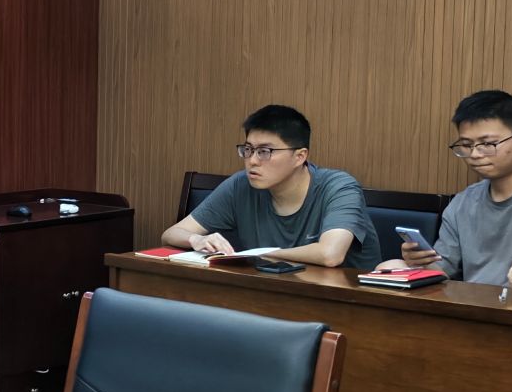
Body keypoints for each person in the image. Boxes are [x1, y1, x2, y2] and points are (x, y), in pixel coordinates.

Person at [160, 104, 378, 270]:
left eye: (265, 152)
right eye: (248, 149)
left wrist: (256, 254)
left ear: (300, 156)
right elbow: (171, 234)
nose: (252, 161)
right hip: (272, 295)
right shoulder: (241, 185)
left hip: (347, 301)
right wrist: (197, 239)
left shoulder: (339, 188)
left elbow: (330, 254)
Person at [390, 90, 512, 288]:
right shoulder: (462, 203)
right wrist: (420, 262)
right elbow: (442, 272)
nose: (475, 154)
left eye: (487, 144)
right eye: (466, 145)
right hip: (469, 303)